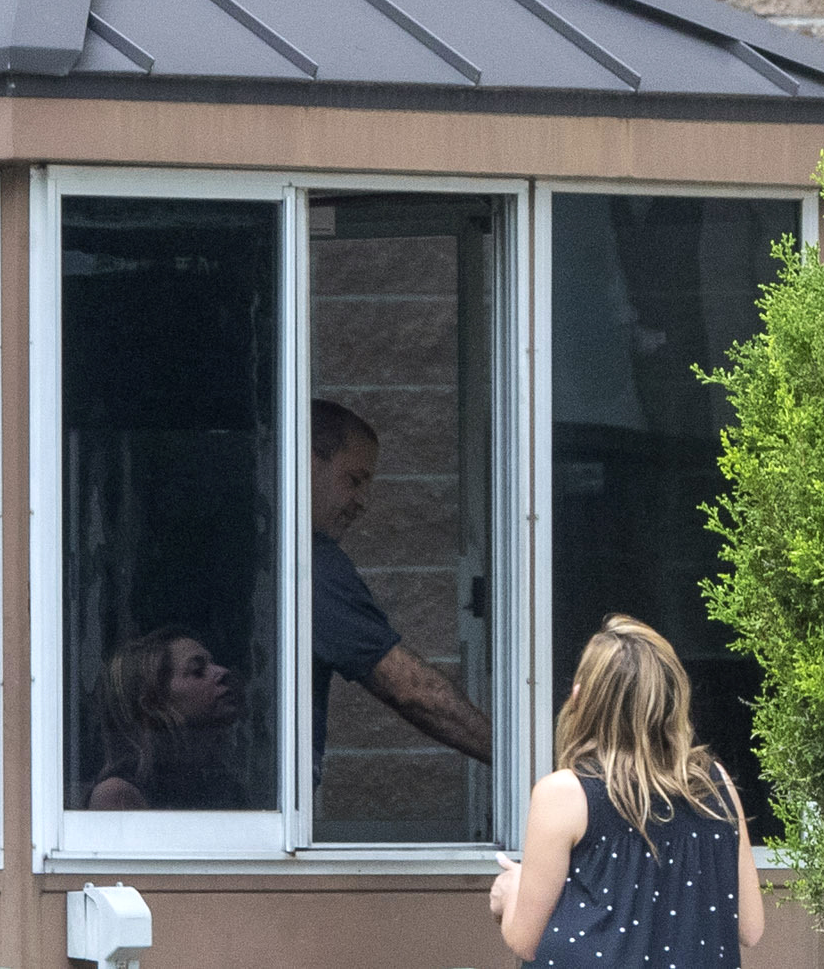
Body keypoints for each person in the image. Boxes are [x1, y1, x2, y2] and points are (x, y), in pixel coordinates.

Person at [487, 616, 764, 966]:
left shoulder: (566, 794)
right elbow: (751, 928)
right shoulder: (714, 783)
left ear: (581, 697)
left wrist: (511, 891)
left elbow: (523, 940)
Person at [312, 399, 495, 773]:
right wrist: (529, 762)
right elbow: (410, 690)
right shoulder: (308, 564)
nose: (362, 503)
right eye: (354, 480)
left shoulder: (268, 546)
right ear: (307, 462)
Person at [86, 627, 249, 809]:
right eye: (197, 670)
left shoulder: (221, 784)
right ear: (153, 702)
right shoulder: (119, 794)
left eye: (213, 663)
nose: (222, 671)